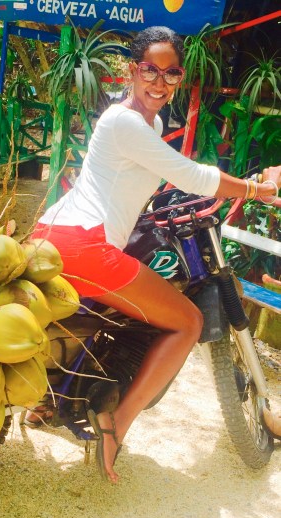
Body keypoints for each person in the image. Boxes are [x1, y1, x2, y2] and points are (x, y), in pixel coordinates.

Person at [29, 26, 281, 483]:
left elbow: (139, 177)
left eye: (171, 73)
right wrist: (254, 189)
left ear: (180, 78)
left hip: (54, 233)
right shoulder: (125, 122)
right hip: (86, 243)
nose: (159, 82)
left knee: (97, 315)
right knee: (188, 322)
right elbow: (192, 176)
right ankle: (117, 425)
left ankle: (50, 399)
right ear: (132, 70)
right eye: (150, 70)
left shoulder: (150, 124)